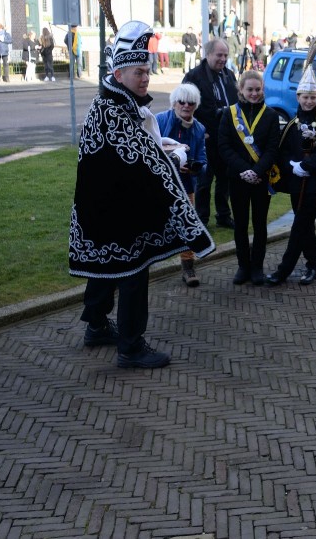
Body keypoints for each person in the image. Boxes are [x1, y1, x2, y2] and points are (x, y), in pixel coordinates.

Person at [70, 21, 214, 369]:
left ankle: (97, 325)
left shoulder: (115, 102)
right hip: (118, 210)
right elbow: (143, 161)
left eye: (147, 70)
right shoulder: (114, 109)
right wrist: (175, 156)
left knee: (105, 266)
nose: (146, 77)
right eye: (139, 72)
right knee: (133, 272)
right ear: (119, 74)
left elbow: (138, 148)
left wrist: (161, 147)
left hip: (103, 206)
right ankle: (130, 347)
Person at [265, 80, 316, 286]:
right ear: (298, 98)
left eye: (312, 97)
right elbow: (283, 150)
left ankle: (283, 270)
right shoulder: (293, 123)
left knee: (300, 224)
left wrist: (308, 164)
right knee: (305, 226)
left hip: (315, 183)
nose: (309, 101)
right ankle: (312, 264)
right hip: (296, 183)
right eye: (305, 97)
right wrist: (291, 164)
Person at [219, 70, 280, 286]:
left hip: (261, 179)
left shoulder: (271, 115)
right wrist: (244, 170)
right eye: (250, 90)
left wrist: (257, 171)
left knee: (260, 225)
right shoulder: (229, 114)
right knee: (241, 224)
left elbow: (273, 149)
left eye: (258, 89)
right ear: (241, 90)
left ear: (263, 89)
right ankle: (243, 266)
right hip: (238, 178)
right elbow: (224, 146)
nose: (254, 93)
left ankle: (257, 267)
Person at [183, 37, 239, 227]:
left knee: (225, 178)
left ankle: (223, 216)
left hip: (226, 138)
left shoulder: (229, 75)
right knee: (204, 180)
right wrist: (196, 131)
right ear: (208, 55)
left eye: (225, 55)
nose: (223, 59)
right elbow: (183, 105)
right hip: (204, 138)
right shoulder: (194, 77)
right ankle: (202, 219)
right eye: (219, 55)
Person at [155, 83, 207, 288]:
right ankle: (139, 268)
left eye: (191, 102)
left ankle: (188, 268)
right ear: (174, 103)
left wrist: (195, 168)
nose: (186, 106)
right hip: (158, 184)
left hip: (185, 185)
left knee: (187, 227)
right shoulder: (159, 120)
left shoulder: (199, 129)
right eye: (181, 101)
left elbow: (203, 160)